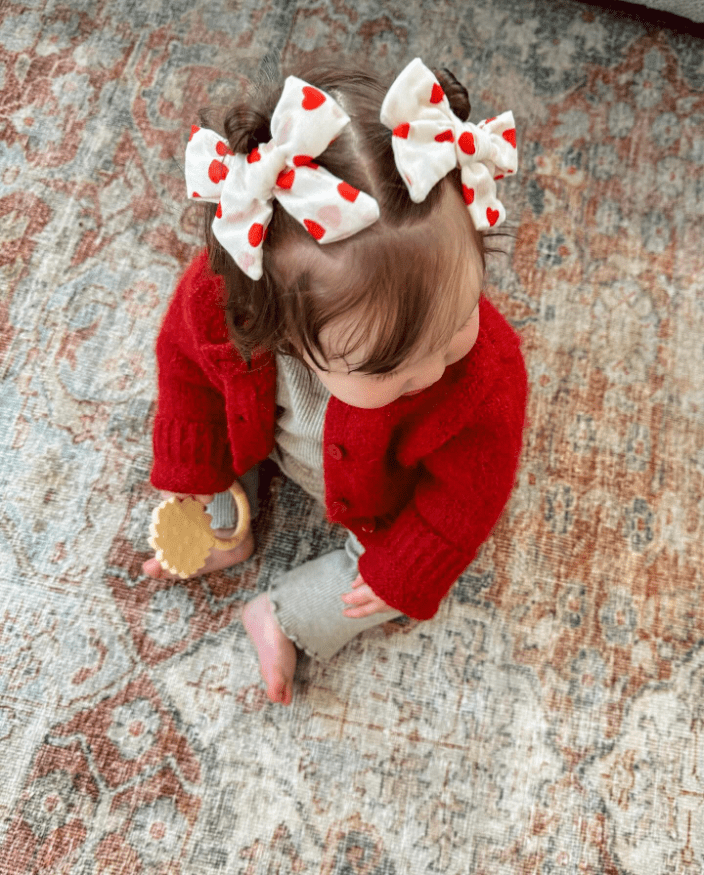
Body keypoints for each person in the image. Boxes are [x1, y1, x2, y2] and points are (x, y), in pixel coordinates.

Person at [142, 57, 528, 706]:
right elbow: (186, 374)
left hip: (382, 499)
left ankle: (282, 616)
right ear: (279, 326)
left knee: (380, 586)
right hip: (268, 432)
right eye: (391, 367)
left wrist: (401, 567)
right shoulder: (223, 302)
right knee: (208, 479)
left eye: (460, 316)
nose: (436, 369)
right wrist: (198, 472)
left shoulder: (483, 376)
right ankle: (226, 529)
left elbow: (466, 497)